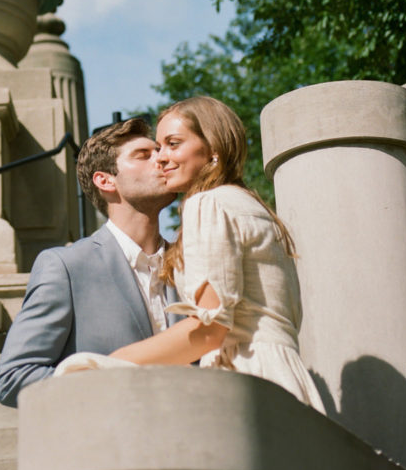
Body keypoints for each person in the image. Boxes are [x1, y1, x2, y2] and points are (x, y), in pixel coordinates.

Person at [56, 96, 324, 411]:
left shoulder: (207, 204)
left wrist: (107, 364)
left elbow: (209, 329)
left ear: (213, 150)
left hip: (245, 380)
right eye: (158, 148)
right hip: (284, 376)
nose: (161, 158)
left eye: (173, 144)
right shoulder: (252, 206)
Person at [0, 118, 179, 407]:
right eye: (144, 154)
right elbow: (13, 377)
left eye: (160, 150)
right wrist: (98, 377)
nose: (163, 158)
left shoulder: (191, 262)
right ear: (106, 181)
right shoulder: (66, 267)